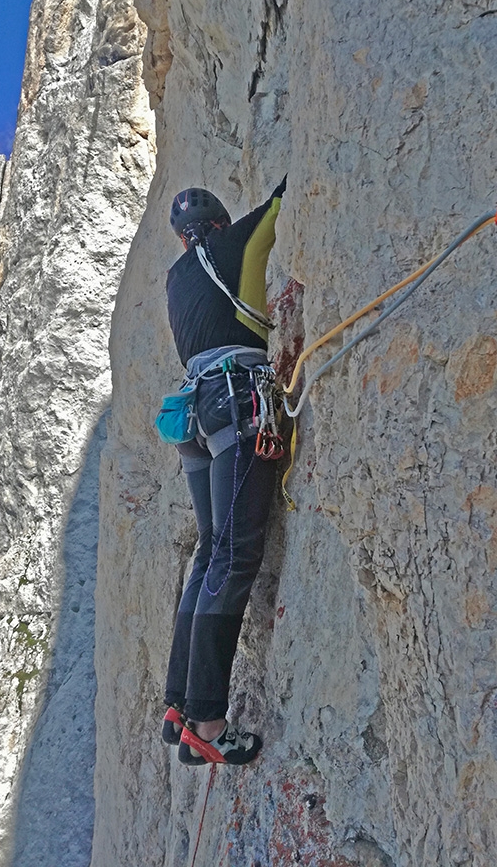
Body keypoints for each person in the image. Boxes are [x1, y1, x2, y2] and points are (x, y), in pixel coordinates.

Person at [160, 178, 286, 766]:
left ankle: (178, 706)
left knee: (210, 550)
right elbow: (280, 205)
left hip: (195, 416)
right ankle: (206, 720)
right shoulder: (232, 245)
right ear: (218, 223)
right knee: (233, 556)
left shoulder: (175, 278)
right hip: (235, 402)